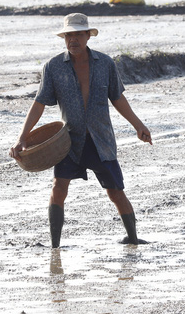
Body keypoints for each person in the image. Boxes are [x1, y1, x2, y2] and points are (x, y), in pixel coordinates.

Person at [9, 13, 152, 248]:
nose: (72, 39)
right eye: (68, 35)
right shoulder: (53, 67)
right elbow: (39, 103)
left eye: (77, 34)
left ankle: (133, 239)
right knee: (58, 187)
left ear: (88, 35)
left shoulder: (105, 63)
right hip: (68, 142)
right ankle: (55, 245)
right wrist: (22, 138)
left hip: (101, 140)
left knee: (115, 190)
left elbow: (117, 98)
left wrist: (138, 125)